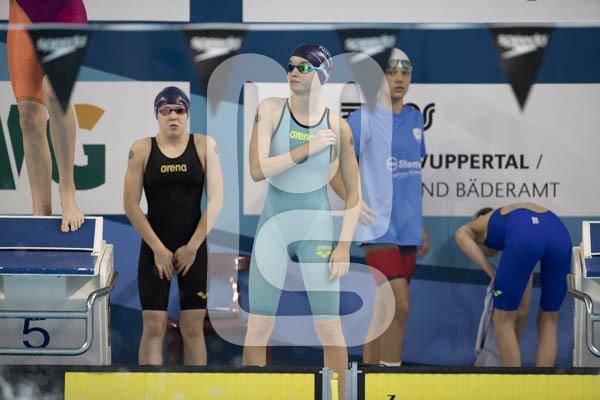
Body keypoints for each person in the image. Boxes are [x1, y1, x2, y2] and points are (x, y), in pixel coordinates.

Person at [243, 43, 360, 399]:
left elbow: (354, 195)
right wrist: (307, 148)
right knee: (258, 325)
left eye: (303, 67)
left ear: (322, 75)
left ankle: (340, 397)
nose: (293, 72)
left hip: (316, 231)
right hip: (274, 229)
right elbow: (257, 170)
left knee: (329, 328)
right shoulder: (270, 109)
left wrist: (344, 246)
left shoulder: (337, 126)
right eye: (290, 66)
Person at [331, 48, 429, 366]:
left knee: (386, 309)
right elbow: (332, 169)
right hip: (377, 229)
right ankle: (390, 379)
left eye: (405, 73)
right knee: (400, 304)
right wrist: (354, 202)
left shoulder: (415, 119)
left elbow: (410, 176)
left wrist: (420, 226)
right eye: (391, 72)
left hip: (408, 230)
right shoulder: (363, 119)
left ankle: (368, 376)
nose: (399, 79)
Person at [123, 86, 223, 365]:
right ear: (157, 115)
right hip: (155, 249)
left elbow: (216, 201)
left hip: (194, 248)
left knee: (193, 328)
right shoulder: (141, 149)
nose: (173, 116)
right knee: (154, 326)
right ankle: (148, 388)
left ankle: (197, 388)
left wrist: (193, 247)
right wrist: (158, 249)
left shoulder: (204, 146)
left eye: (179, 110)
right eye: (165, 110)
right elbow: (130, 205)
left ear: (187, 114)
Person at [455, 202, 572, 367]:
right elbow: (522, 310)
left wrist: (491, 271)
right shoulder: (510, 225)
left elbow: (460, 234)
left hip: (525, 232)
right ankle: (543, 380)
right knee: (549, 320)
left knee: (502, 320)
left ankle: (513, 381)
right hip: (559, 233)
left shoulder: (480, 225)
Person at [7, 0, 87, 232]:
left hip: (64, 11)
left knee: (54, 91)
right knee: (28, 116)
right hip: (22, 12)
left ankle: (67, 193)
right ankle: (40, 211)